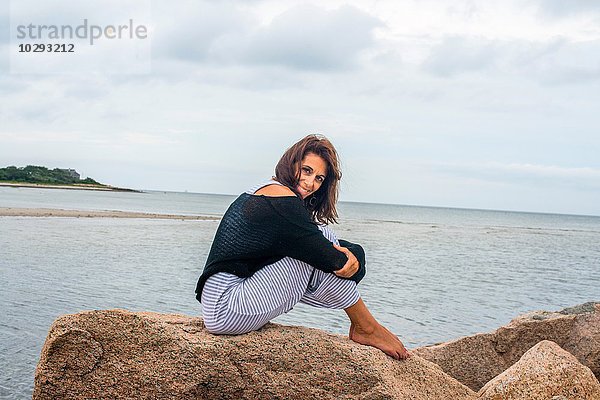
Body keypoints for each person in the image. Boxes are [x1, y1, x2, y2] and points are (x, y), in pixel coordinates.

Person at [195, 134, 410, 360]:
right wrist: (354, 259)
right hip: (227, 306)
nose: (310, 184)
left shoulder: (267, 191)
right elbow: (331, 259)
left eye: (319, 178)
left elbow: (323, 251)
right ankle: (366, 327)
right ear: (291, 162)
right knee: (320, 239)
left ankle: (365, 326)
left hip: (221, 304)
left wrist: (356, 256)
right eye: (306, 171)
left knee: (316, 242)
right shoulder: (280, 198)